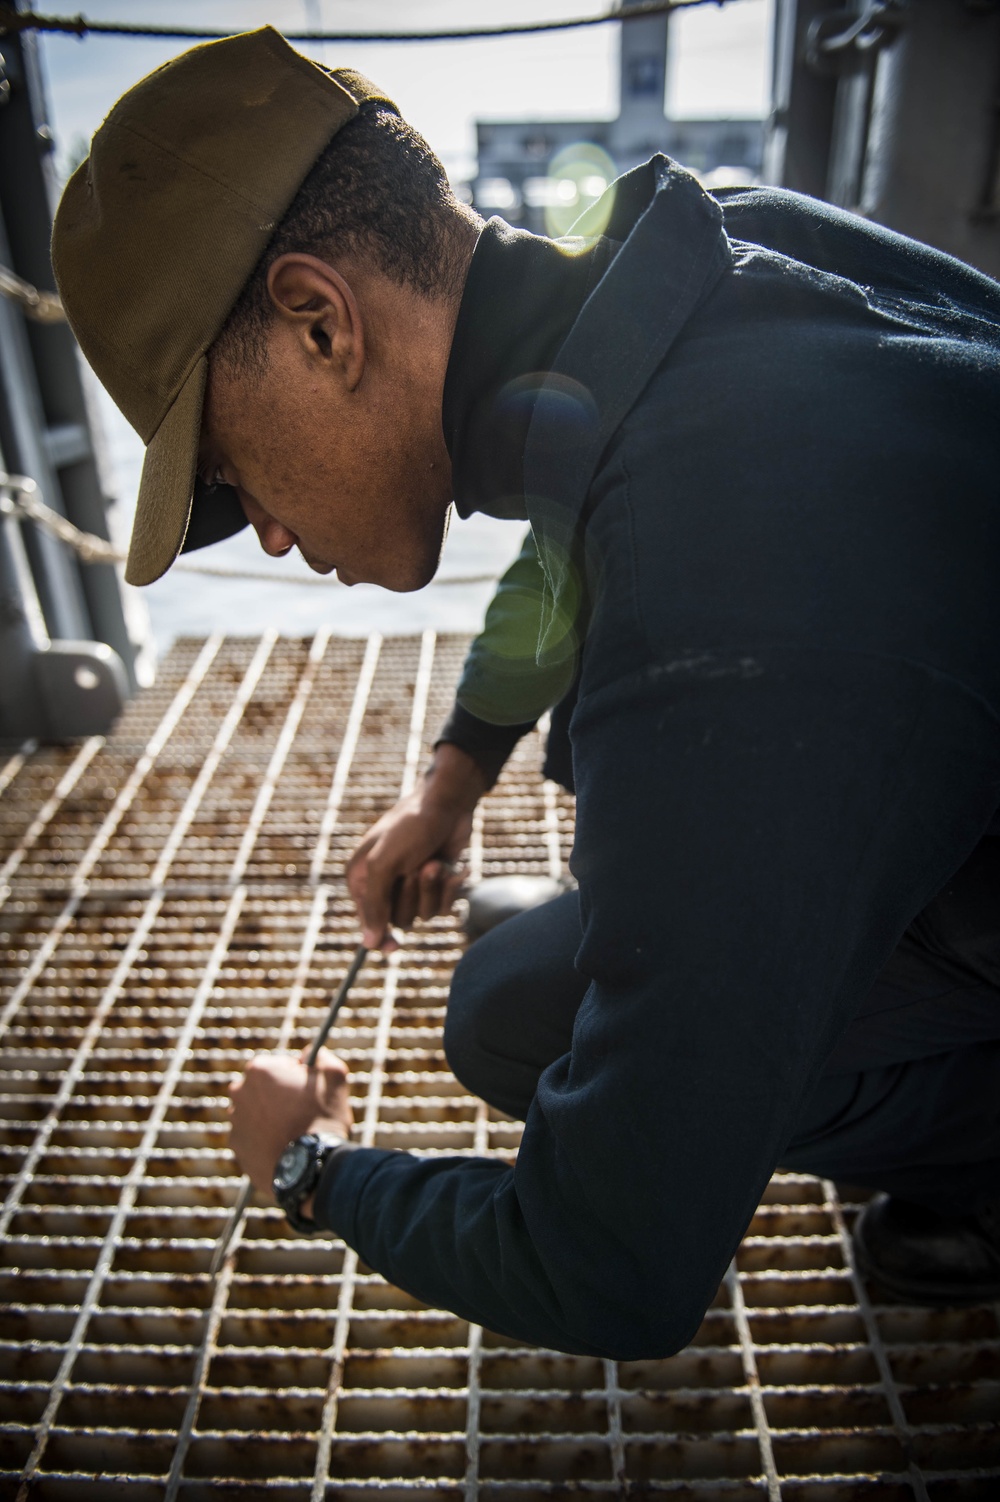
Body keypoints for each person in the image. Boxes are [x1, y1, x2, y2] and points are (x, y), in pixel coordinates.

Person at [52, 27, 1000, 1356]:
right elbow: (569, 513)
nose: (261, 532)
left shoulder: (713, 598)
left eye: (224, 473)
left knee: (531, 1023)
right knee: (513, 995)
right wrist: (451, 781)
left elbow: (612, 1270)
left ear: (320, 320)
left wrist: (309, 1167)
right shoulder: (709, 254)